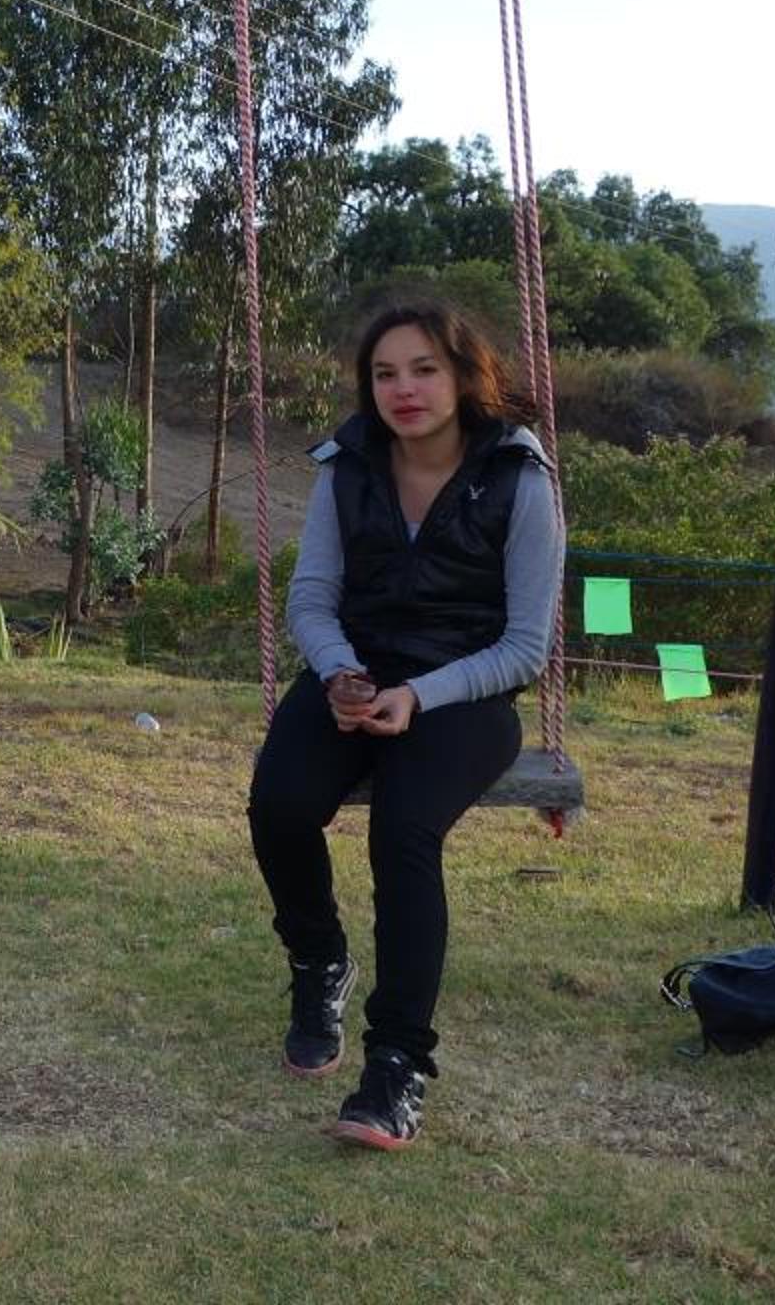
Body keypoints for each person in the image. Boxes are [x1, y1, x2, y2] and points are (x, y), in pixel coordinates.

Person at [246, 298, 563, 1150]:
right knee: (279, 804)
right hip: (356, 668)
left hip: (466, 694)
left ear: (464, 376)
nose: (404, 389)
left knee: (403, 830)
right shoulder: (347, 467)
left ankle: (395, 1065)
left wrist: (420, 694)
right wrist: (340, 673)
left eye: (424, 369)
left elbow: (525, 647)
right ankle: (319, 959)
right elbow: (312, 598)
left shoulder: (519, 478)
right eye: (385, 374)